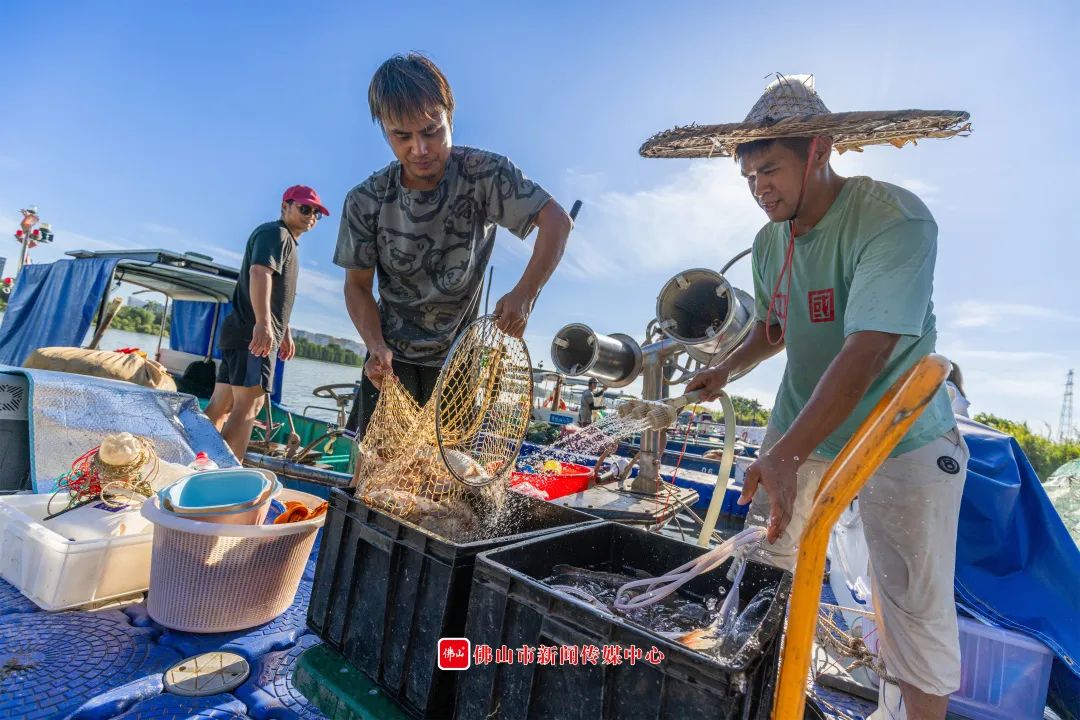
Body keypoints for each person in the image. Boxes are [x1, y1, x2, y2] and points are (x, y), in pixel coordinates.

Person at [645, 75, 972, 719]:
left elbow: (868, 347)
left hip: (900, 435)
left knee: (912, 604)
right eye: (748, 177)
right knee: (765, 570)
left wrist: (787, 455)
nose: (759, 188)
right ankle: (758, 701)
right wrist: (727, 370)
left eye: (770, 170)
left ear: (819, 151)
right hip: (804, 425)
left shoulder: (894, 219)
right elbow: (775, 326)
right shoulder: (772, 242)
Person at [335, 53, 572, 439]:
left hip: (458, 362)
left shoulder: (485, 174)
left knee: (447, 481)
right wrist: (374, 345)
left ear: (450, 116)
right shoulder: (365, 199)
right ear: (384, 131)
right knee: (373, 477)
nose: (420, 149)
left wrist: (524, 294)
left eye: (431, 130)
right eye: (403, 136)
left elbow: (557, 221)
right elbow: (357, 286)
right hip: (389, 360)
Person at [205, 185, 328, 459]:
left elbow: (279, 296)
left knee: (221, 406)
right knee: (250, 405)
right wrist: (263, 325)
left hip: (243, 333)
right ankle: (223, 476)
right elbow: (259, 272)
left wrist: (285, 332)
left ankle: (192, 462)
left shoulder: (285, 239)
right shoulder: (276, 233)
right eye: (304, 208)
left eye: (317, 213)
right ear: (285, 206)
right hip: (252, 336)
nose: (311, 216)